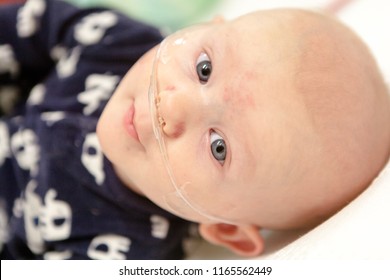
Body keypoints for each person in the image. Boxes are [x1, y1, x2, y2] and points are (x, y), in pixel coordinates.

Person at [1, 0, 389, 259]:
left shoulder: (123, 249)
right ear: (210, 25)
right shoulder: (116, 43)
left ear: (227, 228)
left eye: (219, 147)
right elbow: (26, 28)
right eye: (204, 69)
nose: (170, 105)